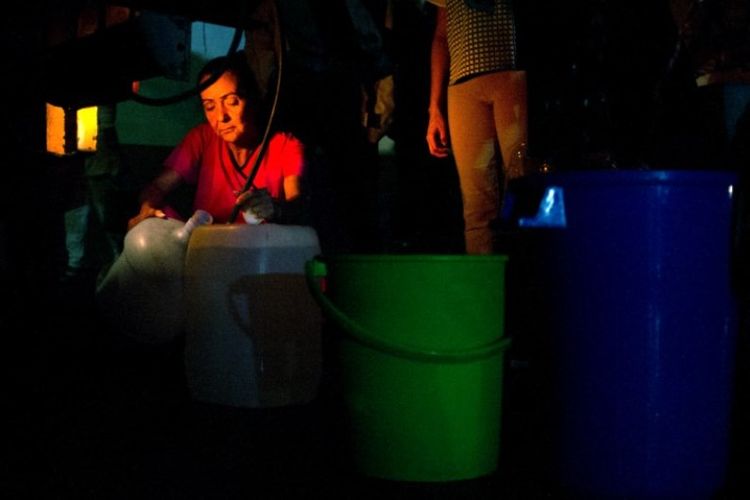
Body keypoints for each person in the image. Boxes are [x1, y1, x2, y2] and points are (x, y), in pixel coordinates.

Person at [127, 51, 307, 230]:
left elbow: (297, 204)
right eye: (210, 106)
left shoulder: (285, 144)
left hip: (262, 250)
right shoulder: (202, 137)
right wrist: (148, 207)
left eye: (232, 101)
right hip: (207, 249)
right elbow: (157, 187)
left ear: (253, 98)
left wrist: (275, 208)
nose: (221, 117)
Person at [425, 0, 528, 254]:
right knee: (476, 203)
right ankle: (483, 279)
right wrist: (434, 107)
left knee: (523, 187)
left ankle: (526, 276)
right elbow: (440, 36)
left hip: (510, 74)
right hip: (462, 84)